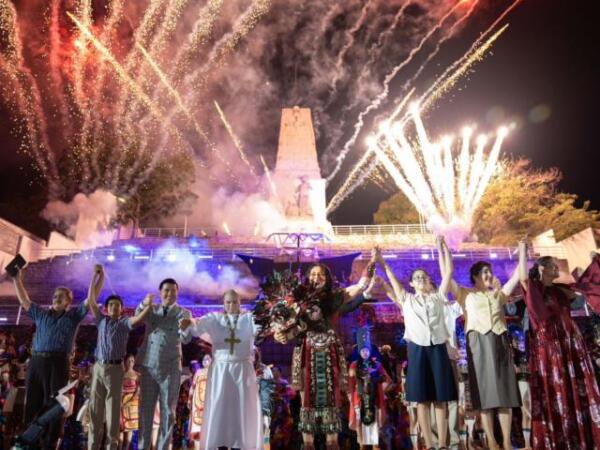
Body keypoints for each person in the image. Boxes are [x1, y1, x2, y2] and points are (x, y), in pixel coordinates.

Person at [273, 256, 376, 450]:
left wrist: (370, 266)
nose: (316, 277)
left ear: (327, 278)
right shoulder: (296, 300)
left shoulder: (335, 296)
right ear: (307, 277)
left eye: (320, 274)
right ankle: (309, 443)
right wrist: (281, 334)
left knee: (332, 399)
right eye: (312, 274)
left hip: (330, 353)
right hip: (306, 353)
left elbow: (359, 287)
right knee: (306, 402)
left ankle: (332, 442)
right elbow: (286, 327)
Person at [443, 239, 526, 450]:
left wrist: (523, 248)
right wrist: (441, 247)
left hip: (500, 342)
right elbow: (447, 275)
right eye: (484, 272)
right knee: (485, 392)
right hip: (477, 344)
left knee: (505, 392)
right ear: (475, 277)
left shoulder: (500, 294)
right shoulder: (464, 294)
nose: (489, 275)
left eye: (490, 271)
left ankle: (506, 441)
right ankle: (491, 440)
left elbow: (519, 275)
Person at [375, 243, 457, 450]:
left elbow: (448, 271)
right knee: (422, 399)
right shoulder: (407, 300)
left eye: (424, 276)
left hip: (437, 348)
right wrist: (381, 261)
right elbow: (392, 280)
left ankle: (442, 444)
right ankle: (428, 444)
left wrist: (442, 248)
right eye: (417, 277)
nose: (421, 279)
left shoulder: (439, 298)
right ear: (411, 283)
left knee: (441, 398)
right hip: (417, 350)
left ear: (429, 281)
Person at [11, 264, 102, 450]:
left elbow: (91, 298)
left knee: (54, 405)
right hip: (36, 362)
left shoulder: (73, 316)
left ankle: (50, 443)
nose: (56, 298)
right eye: (54, 296)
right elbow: (24, 300)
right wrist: (16, 278)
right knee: (33, 404)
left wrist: (97, 276)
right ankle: (30, 442)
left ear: (69, 301)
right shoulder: (41, 314)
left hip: (58, 363)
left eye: (61, 296)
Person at [520, 249, 600, 449]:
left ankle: (580, 436)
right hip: (550, 349)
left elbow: (584, 292)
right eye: (553, 265)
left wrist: (592, 267)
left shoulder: (560, 290)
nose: (557, 268)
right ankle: (559, 437)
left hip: (570, 344)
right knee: (556, 390)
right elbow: (523, 276)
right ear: (542, 269)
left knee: (574, 390)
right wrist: (522, 249)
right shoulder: (534, 289)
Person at [187, 289, 263, 449]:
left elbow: (262, 328)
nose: (231, 305)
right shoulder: (215, 318)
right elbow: (196, 328)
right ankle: (219, 443)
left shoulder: (249, 318)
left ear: (240, 302)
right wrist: (189, 322)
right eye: (228, 302)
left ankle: (242, 443)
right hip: (221, 370)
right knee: (219, 406)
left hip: (243, 369)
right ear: (223, 303)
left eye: (235, 302)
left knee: (242, 408)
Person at [87, 272, 153, 450]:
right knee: (95, 411)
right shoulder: (101, 320)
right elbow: (91, 301)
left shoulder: (124, 323)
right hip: (99, 367)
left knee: (113, 411)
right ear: (106, 308)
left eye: (117, 305)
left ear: (121, 309)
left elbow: (138, 319)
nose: (114, 307)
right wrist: (95, 277)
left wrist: (148, 306)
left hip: (116, 369)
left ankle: (111, 447)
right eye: (111, 305)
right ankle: (92, 446)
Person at [135, 278, 193, 450]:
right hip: (148, 366)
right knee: (145, 411)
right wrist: (143, 303)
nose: (169, 293)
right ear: (160, 292)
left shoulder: (184, 313)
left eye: (173, 290)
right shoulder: (151, 310)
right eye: (166, 290)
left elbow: (187, 339)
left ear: (177, 292)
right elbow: (137, 317)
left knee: (168, 413)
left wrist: (185, 328)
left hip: (170, 367)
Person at [348, 341, 391, 449]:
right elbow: (350, 377)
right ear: (359, 352)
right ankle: (361, 444)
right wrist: (350, 394)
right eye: (363, 350)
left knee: (374, 420)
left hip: (373, 396)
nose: (365, 352)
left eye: (367, 350)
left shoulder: (376, 364)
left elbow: (386, 379)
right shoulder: (354, 364)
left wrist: (382, 390)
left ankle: (375, 445)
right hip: (359, 396)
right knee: (359, 419)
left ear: (370, 351)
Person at [188, 354, 211, 449]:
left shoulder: (214, 372)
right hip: (198, 405)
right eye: (204, 359)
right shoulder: (198, 373)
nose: (206, 361)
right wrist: (189, 400)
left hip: (210, 406)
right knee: (198, 430)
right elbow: (193, 387)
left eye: (208, 359)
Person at [120, 354, 139, 450]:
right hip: (121, 402)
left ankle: (126, 448)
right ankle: (119, 447)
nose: (131, 362)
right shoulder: (121, 374)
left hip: (132, 404)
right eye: (129, 360)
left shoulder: (137, 375)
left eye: (132, 360)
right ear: (125, 362)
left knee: (130, 428)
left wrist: (130, 401)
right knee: (121, 428)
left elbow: (138, 390)